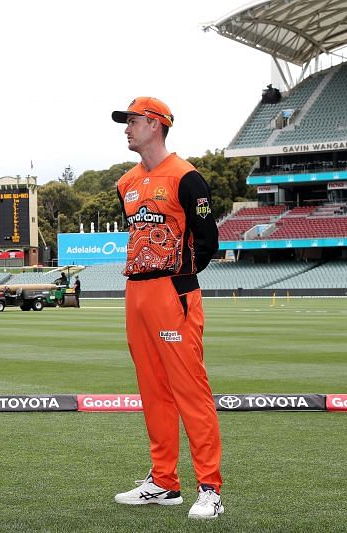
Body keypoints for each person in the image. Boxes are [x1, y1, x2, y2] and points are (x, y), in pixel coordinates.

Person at [110, 97, 223, 519]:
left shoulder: (187, 177)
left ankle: (210, 487)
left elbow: (206, 240)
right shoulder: (125, 183)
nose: (126, 129)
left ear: (156, 125)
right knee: (153, 391)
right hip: (136, 294)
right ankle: (163, 482)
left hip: (172, 293)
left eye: (133, 121)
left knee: (190, 389)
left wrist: (177, 278)